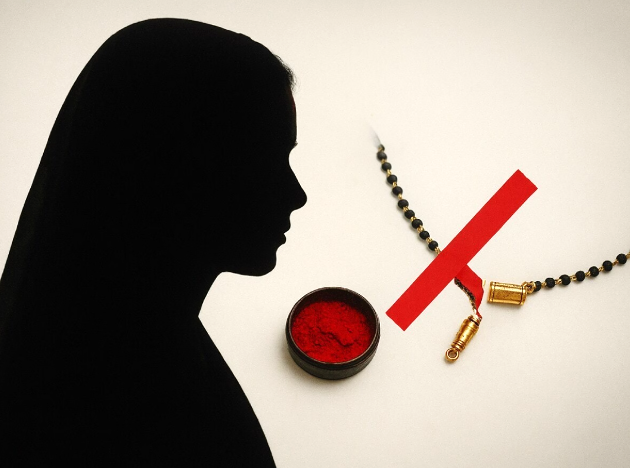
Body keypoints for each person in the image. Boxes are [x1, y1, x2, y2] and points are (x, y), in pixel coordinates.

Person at [0, 18, 306, 467]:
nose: (296, 195)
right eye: (264, 161)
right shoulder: (124, 411)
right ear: (173, 168)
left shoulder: (100, 343)